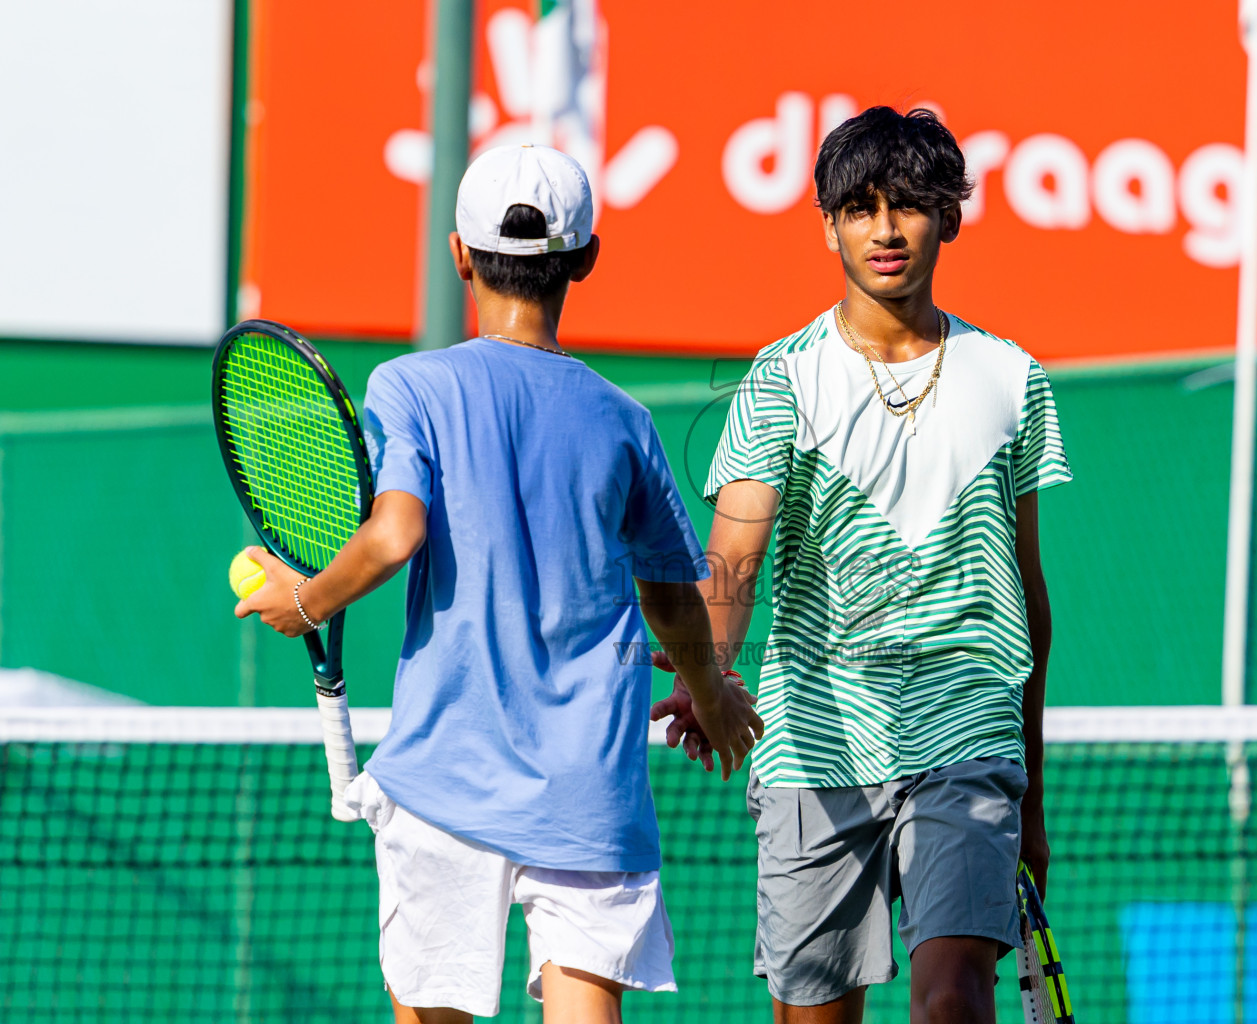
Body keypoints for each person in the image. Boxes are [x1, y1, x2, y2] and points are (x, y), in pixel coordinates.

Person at [236, 143, 763, 1024]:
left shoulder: (411, 384)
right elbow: (669, 599)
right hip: (588, 792)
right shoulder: (624, 421)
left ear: (459, 255)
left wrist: (308, 599)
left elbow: (396, 532)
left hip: (446, 783)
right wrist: (707, 691)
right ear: (586, 260)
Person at [652, 107, 1071, 1023]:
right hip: (813, 746)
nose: (885, 229)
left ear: (949, 218)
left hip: (969, 733)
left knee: (953, 998)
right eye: (859, 207)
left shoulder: (1013, 379)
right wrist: (712, 666)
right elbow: (733, 554)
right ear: (828, 224)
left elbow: (1030, 602)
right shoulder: (781, 380)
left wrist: (1029, 793)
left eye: (911, 205)